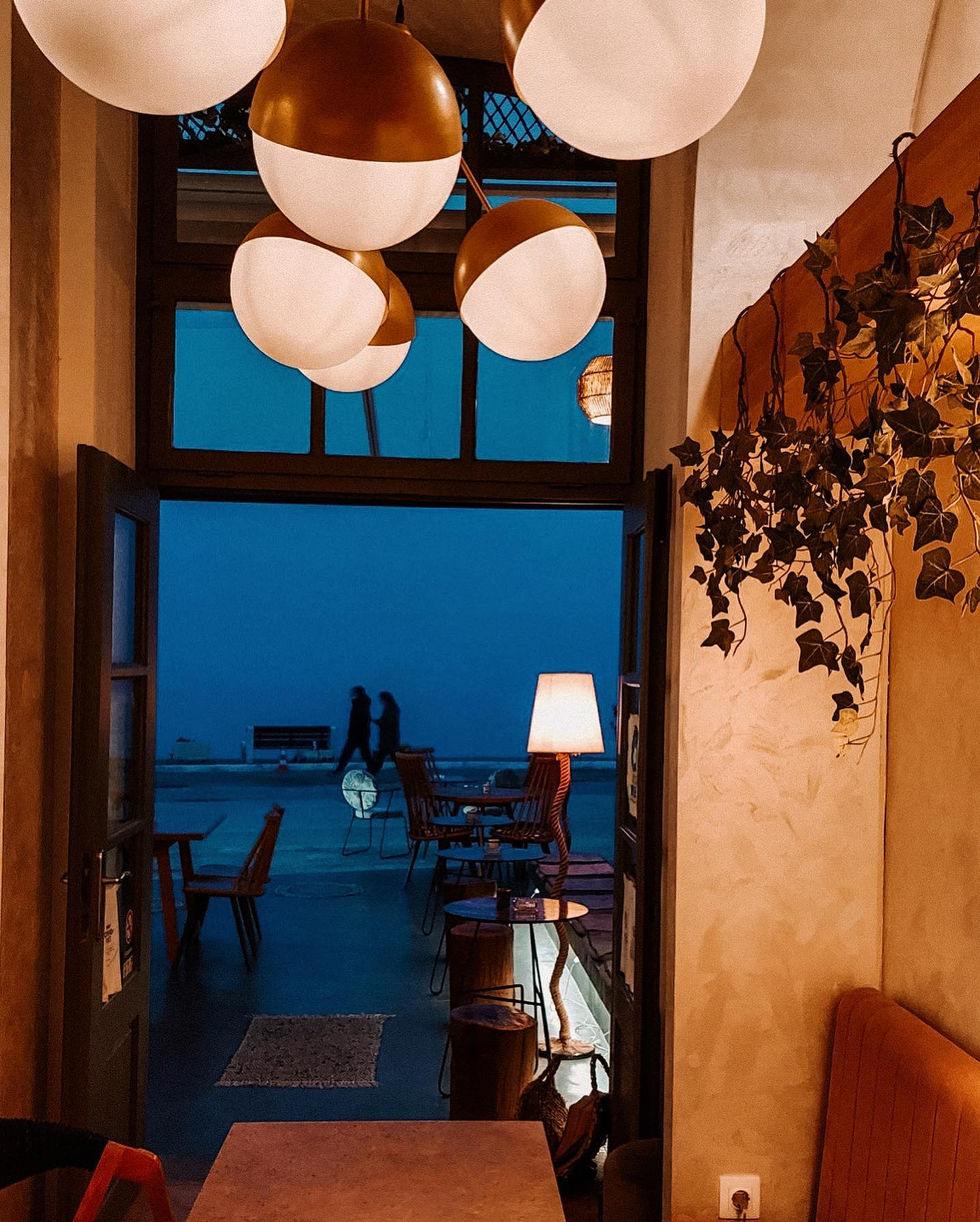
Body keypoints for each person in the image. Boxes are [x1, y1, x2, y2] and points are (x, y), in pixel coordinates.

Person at [333, 686, 372, 773]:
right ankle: (372, 768)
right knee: (365, 753)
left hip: (357, 734)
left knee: (348, 752)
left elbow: (357, 720)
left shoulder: (359, 704)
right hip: (362, 734)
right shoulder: (363, 704)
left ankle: (339, 769)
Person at [369, 690, 401, 776]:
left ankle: (371, 773)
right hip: (391, 739)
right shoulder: (393, 708)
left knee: (381, 757)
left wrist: (375, 721)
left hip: (388, 739)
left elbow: (386, 723)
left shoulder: (390, 709)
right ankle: (404, 774)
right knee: (391, 758)